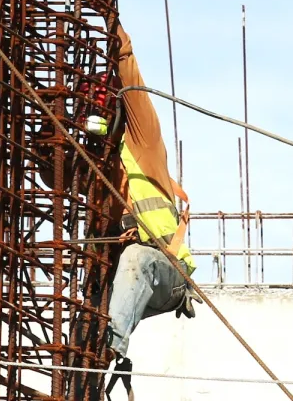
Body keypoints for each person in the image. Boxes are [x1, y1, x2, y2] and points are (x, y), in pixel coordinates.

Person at [104, 36, 197, 386]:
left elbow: (132, 85)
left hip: (167, 272)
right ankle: (92, 363)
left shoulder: (142, 145)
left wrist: (115, 30)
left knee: (136, 257)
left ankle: (112, 343)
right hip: (128, 286)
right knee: (88, 312)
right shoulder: (96, 171)